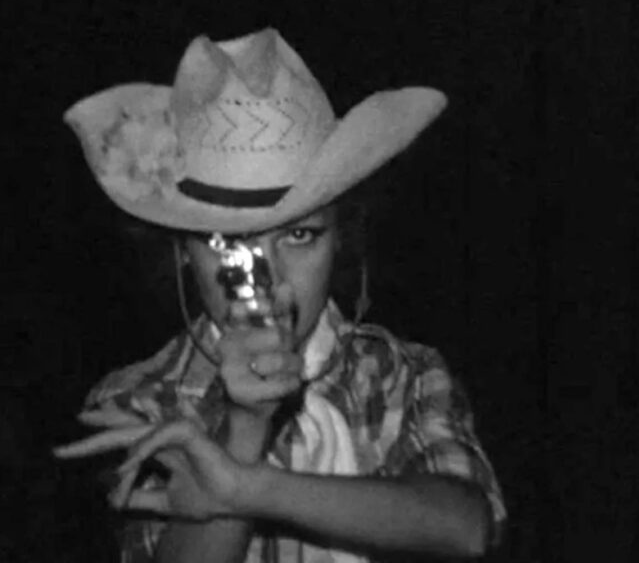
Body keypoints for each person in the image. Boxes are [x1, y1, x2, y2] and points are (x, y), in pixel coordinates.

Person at [55, 28, 506, 563]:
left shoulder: (401, 373)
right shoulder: (138, 401)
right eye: (228, 244)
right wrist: (245, 427)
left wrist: (247, 488)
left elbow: (465, 529)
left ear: (341, 239)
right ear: (182, 251)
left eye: (299, 235)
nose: (266, 279)